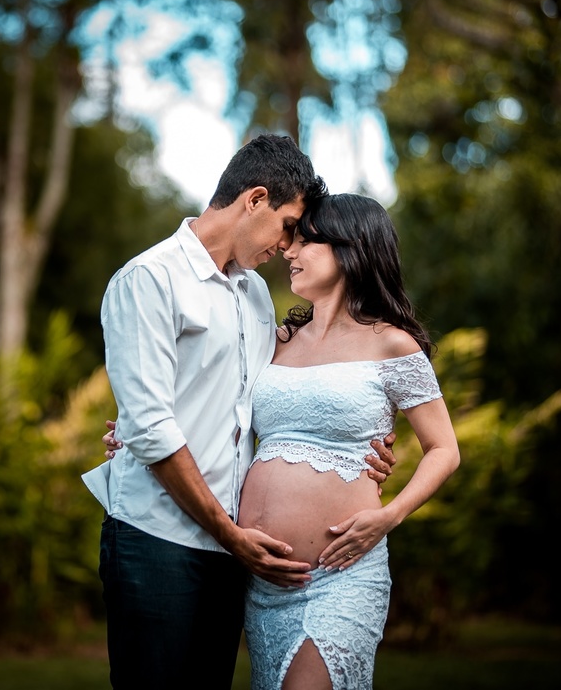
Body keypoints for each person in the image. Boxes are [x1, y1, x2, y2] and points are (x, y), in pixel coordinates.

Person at [102, 192, 458, 690]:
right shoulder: (276, 338)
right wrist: (134, 428)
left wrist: (388, 515)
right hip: (258, 581)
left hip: (341, 574)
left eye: (306, 239)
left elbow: (444, 449)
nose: (290, 250)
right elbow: (218, 404)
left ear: (351, 248)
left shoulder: (392, 343)